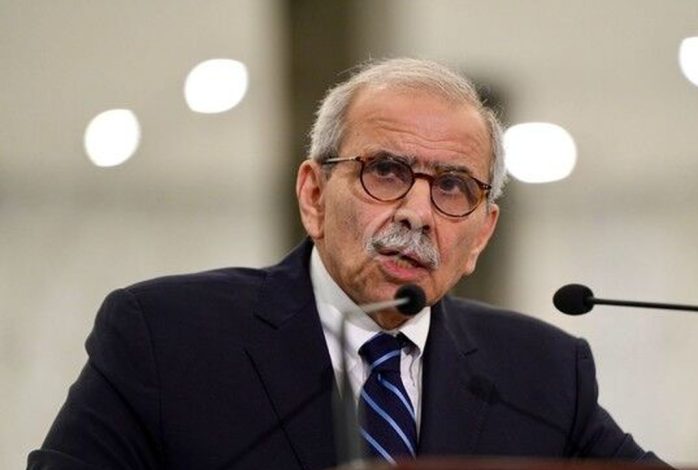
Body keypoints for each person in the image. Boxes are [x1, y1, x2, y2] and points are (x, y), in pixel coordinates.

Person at [29, 58, 664, 469]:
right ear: (313, 195)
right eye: (385, 171)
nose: (418, 213)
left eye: (452, 187)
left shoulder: (543, 373)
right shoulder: (164, 336)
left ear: (481, 235)